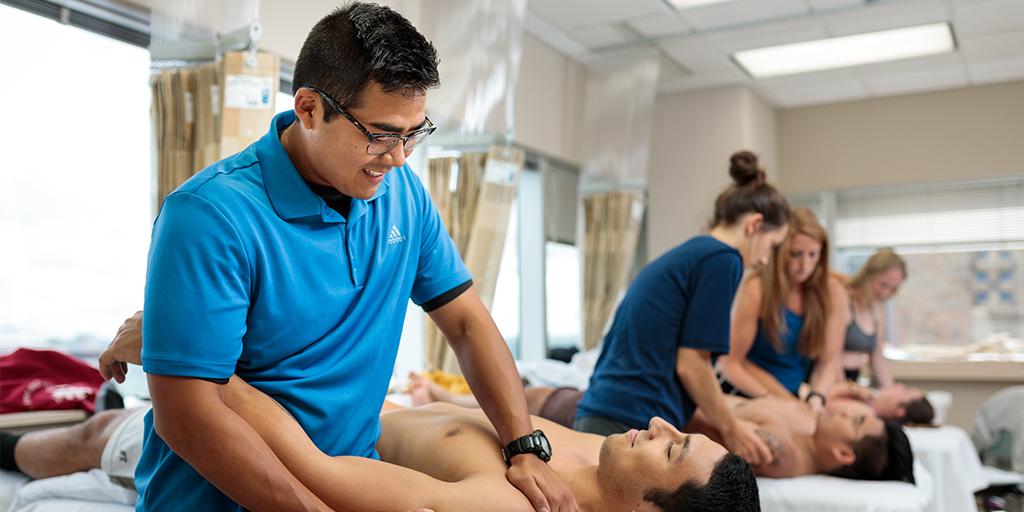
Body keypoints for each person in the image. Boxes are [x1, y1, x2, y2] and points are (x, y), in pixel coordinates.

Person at [97, 5, 574, 511]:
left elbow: (466, 323)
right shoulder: (210, 215)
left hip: (346, 489)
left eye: (413, 134)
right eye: (381, 134)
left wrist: (522, 446)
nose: (398, 157)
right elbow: (188, 417)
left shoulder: (403, 197)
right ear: (308, 109)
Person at [0, 379, 762, 512]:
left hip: (300, 427)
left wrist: (204, 370)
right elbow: (485, 419)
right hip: (343, 394)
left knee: (98, 437)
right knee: (109, 426)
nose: (661, 426)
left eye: (670, 450)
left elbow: (319, 474)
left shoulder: (504, 505)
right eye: (677, 432)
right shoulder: (594, 450)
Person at [575, 150, 791, 468]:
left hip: (605, 412)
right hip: (631, 420)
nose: (763, 261)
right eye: (772, 247)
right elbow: (692, 365)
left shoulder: (693, 253)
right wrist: (732, 429)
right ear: (755, 224)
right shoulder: (723, 259)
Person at [718, 208, 847, 411]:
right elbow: (731, 363)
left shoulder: (833, 293)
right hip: (747, 393)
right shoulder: (756, 290)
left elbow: (829, 362)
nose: (804, 264)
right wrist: (775, 400)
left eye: (813, 254)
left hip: (792, 398)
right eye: (795, 254)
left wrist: (816, 397)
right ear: (779, 251)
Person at [685, 393, 916, 482]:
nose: (848, 413)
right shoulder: (808, 427)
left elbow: (690, 415)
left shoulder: (775, 449)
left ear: (843, 454)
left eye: (856, 422)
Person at [841, 249, 908, 386]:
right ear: (869, 275)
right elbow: (830, 359)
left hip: (853, 380)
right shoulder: (843, 300)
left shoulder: (877, 309)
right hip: (833, 380)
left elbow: (877, 358)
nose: (886, 293)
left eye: (893, 289)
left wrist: (891, 393)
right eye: (883, 285)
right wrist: (845, 391)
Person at [827, 381, 935, 425]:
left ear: (900, 411)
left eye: (906, 390)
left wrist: (854, 389)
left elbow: (820, 403)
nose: (900, 385)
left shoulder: (864, 414)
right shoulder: (865, 401)